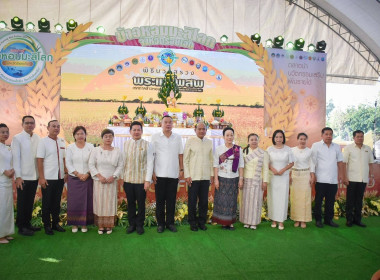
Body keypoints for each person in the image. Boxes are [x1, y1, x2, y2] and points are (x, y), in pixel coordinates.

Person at [151, 115, 184, 233]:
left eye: (170, 122)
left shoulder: (178, 137)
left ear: (173, 124)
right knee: (160, 201)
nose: (168, 124)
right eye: (166, 122)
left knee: (171, 201)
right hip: (159, 174)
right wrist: (152, 172)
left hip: (173, 174)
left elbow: (181, 154)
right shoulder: (155, 137)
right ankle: (160, 224)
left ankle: (170, 223)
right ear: (161, 124)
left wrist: (181, 169)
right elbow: (151, 156)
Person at [89, 128, 123, 235]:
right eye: (106, 136)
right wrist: (99, 176)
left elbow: (120, 165)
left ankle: (109, 225)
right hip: (99, 181)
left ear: (113, 138)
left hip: (111, 181)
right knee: (100, 202)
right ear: (102, 138)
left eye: (110, 136)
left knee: (110, 202)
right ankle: (101, 225)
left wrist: (114, 176)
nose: (108, 138)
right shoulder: (95, 150)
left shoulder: (117, 151)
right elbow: (91, 165)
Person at [37, 120, 68, 235]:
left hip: (60, 178)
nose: (56, 128)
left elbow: (64, 159)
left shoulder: (61, 141)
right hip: (48, 178)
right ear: (48, 128)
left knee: (56, 202)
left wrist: (66, 172)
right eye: (53, 126)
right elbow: (39, 160)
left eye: (58, 126)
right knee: (47, 202)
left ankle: (55, 223)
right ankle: (47, 225)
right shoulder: (43, 142)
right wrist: (41, 177)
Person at [123, 121, 154, 235]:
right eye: (134, 130)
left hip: (141, 180)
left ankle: (140, 224)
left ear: (142, 131)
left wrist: (147, 180)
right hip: (128, 179)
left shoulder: (147, 144)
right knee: (130, 203)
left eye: (138, 130)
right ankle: (132, 224)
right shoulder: (126, 144)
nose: (136, 132)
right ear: (130, 131)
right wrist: (122, 177)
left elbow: (150, 163)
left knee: (141, 203)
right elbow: (124, 161)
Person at [11, 116, 41, 236]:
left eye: (32, 123)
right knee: (22, 202)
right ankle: (22, 227)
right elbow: (15, 159)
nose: (29, 125)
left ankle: (27, 224)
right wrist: (18, 176)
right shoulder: (17, 138)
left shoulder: (37, 137)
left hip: (34, 176)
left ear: (34, 125)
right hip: (22, 177)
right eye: (27, 123)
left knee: (29, 202)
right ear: (22, 124)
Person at [311, 127, 344, 228]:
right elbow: (312, 161)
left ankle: (328, 220)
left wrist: (342, 175)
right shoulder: (316, 146)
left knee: (330, 201)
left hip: (333, 179)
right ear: (322, 135)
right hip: (320, 178)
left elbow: (340, 162)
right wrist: (313, 174)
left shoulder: (336, 147)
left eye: (331, 134)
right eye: (326, 134)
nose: (329, 136)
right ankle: (318, 220)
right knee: (318, 201)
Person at [212, 127, 244, 230]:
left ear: (233, 136)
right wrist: (216, 179)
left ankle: (230, 223)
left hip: (233, 178)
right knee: (221, 200)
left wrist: (241, 179)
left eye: (231, 135)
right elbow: (215, 165)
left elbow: (241, 165)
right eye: (227, 135)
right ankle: (222, 222)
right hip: (222, 178)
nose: (229, 137)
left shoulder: (238, 149)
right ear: (223, 137)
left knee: (232, 201)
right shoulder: (219, 149)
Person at [184, 122, 213, 231]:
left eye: (203, 129)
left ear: (206, 130)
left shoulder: (209, 142)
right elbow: (186, 160)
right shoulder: (190, 141)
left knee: (204, 201)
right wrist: (187, 175)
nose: (201, 131)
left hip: (205, 177)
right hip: (193, 177)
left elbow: (211, 160)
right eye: (199, 129)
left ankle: (202, 222)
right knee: (192, 201)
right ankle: (192, 222)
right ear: (195, 130)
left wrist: (211, 175)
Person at [343, 130, 375, 227]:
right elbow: (344, 163)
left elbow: (371, 163)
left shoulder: (368, 149)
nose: (360, 138)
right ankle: (349, 220)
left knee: (359, 200)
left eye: (362, 136)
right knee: (350, 200)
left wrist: (371, 176)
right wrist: (345, 177)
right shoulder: (348, 148)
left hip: (363, 179)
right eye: (358, 136)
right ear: (354, 138)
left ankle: (357, 220)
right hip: (352, 178)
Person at [66, 126, 94, 233]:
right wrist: (78, 174)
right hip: (74, 178)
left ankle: (84, 224)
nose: (80, 136)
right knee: (74, 201)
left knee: (86, 201)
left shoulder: (91, 147)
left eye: (82, 133)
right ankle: (74, 223)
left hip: (87, 178)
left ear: (85, 135)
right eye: (77, 134)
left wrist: (87, 174)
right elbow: (68, 163)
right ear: (74, 136)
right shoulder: (70, 148)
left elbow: (93, 162)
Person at [239, 133, 269, 230]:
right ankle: (246, 221)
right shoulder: (244, 152)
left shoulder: (263, 153)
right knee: (246, 201)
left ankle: (254, 222)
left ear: (258, 141)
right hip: (246, 179)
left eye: (255, 139)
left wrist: (265, 181)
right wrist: (241, 179)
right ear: (248, 141)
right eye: (251, 140)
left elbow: (265, 168)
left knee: (256, 201)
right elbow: (241, 167)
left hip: (257, 180)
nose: (254, 141)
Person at [267, 130, 294, 230]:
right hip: (273, 176)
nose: (278, 139)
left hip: (284, 177)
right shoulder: (269, 149)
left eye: (280, 137)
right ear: (273, 138)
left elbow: (291, 163)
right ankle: (274, 220)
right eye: (276, 137)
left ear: (283, 138)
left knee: (283, 198)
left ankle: (281, 221)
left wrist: (283, 170)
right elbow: (267, 162)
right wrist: (273, 169)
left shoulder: (288, 149)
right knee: (273, 198)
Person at [290, 133, 315, 228]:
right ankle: (296, 219)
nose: (302, 141)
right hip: (295, 175)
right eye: (301, 139)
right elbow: (289, 163)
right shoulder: (292, 150)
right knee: (295, 198)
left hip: (305, 175)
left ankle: (304, 220)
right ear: (297, 139)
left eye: (304, 139)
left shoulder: (309, 151)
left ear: (306, 140)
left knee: (305, 198)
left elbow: (312, 164)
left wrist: (312, 176)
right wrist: (289, 175)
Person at [0, 124, 15, 244]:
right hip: (1, 180)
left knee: (8, 207)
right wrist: (4, 171)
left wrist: (12, 170)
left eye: (6, 132)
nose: (5, 134)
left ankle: (7, 232)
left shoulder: (7, 147)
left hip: (8, 180)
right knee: (2, 208)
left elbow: (11, 162)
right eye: (2, 132)